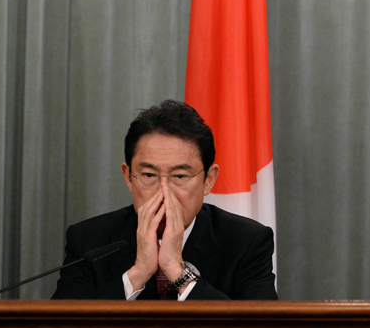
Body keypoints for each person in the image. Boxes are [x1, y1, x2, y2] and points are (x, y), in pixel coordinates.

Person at [53, 100, 278, 300]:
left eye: (180, 176)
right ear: (128, 177)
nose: (164, 192)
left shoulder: (246, 242)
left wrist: (177, 271)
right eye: (149, 175)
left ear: (208, 180)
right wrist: (138, 273)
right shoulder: (90, 242)